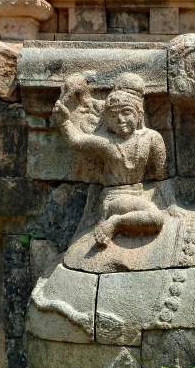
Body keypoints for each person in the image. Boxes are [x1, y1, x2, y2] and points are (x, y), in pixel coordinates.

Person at [52, 73, 167, 246]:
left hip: (141, 193)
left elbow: (160, 174)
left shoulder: (151, 137)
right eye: (113, 115)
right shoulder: (107, 143)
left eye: (127, 112)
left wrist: (170, 202)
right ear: (106, 120)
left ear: (139, 115)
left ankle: (119, 222)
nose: (120, 120)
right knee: (155, 218)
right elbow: (77, 141)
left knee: (157, 216)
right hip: (115, 198)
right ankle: (114, 223)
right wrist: (64, 121)